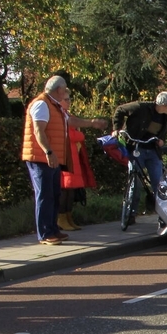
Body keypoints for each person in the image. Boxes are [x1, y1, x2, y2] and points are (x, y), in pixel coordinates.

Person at [21, 75, 107, 245]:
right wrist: (48, 151)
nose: (67, 91)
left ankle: (53, 229)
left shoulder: (56, 106)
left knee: (54, 194)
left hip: (52, 157)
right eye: (65, 88)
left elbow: (71, 121)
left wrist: (92, 123)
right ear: (58, 89)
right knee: (45, 195)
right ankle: (45, 233)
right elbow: (39, 131)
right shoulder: (42, 104)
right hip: (41, 157)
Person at [112, 92, 167, 219]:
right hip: (136, 148)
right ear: (164, 105)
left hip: (152, 150)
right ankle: (130, 214)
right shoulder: (140, 107)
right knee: (135, 182)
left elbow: (160, 132)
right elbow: (120, 110)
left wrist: (160, 140)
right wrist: (116, 128)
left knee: (158, 183)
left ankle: (163, 214)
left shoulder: (164, 116)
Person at [57, 93, 97, 232]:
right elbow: (70, 135)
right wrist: (80, 135)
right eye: (66, 99)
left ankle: (68, 216)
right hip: (66, 157)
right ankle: (61, 218)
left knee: (71, 189)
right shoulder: (60, 116)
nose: (69, 102)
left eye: (69, 99)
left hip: (73, 156)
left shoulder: (68, 115)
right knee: (65, 189)